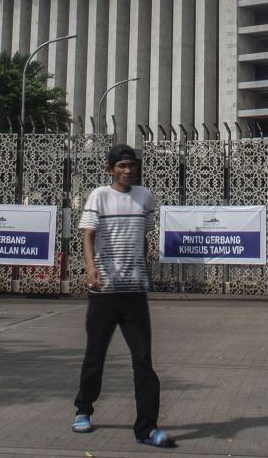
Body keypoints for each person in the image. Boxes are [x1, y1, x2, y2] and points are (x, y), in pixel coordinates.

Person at [72, 143, 176, 449]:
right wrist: (90, 270)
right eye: (121, 166)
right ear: (110, 170)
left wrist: (145, 270)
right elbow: (88, 235)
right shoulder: (99, 196)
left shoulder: (144, 198)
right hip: (104, 292)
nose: (128, 171)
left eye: (131, 165)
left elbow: (142, 237)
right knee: (95, 355)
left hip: (134, 293)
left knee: (143, 360)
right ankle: (83, 409)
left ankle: (147, 427)